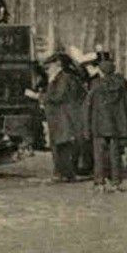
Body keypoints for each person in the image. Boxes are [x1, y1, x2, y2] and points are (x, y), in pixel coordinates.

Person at [83, 51, 127, 192]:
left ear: (101, 71)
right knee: (115, 156)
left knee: (99, 156)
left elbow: (87, 107)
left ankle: (100, 183)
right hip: (116, 127)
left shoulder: (95, 86)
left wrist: (86, 127)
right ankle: (116, 183)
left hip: (99, 126)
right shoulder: (121, 84)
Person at [26, 53, 82, 181]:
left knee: (63, 145)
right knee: (58, 144)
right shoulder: (59, 78)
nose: (47, 71)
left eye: (48, 68)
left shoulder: (63, 78)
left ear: (57, 65)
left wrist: (37, 97)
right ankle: (61, 173)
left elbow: (58, 96)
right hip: (57, 116)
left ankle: (65, 174)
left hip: (63, 116)